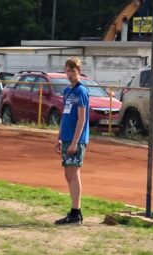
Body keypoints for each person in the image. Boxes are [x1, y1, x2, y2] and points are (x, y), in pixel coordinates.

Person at [54, 57, 90, 226]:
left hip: (76, 139)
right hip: (67, 137)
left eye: (73, 71)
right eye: (67, 71)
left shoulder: (80, 91)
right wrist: (60, 137)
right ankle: (73, 210)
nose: (69, 74)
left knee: (74, 173)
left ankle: (76, 212)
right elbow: (65, 116)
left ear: (78, 72)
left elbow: (81, 119)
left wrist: (75, 142)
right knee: (67, 174)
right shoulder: (68, 91)